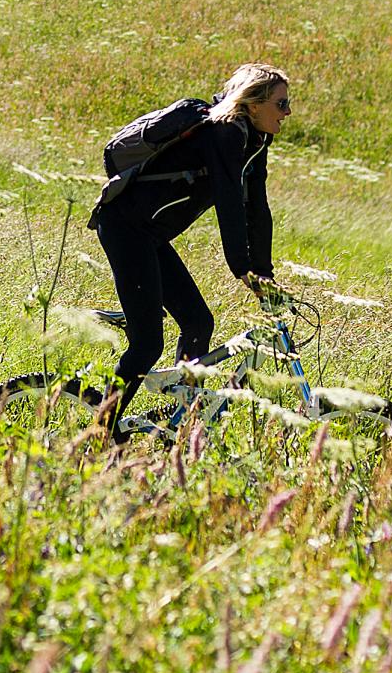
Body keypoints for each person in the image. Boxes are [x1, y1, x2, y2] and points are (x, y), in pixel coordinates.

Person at [94, 62, 286, 436]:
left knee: (199, 323)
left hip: (148, 234)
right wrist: (245, 271)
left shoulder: (255, 140)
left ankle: (178, 422)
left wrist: (265, 276)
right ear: (254, 102)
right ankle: (99, 434)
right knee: (148, 345)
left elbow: (257, 210)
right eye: (281, 104)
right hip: (124, 227)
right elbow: (230, 204)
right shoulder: (225, 133)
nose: (288, 112)